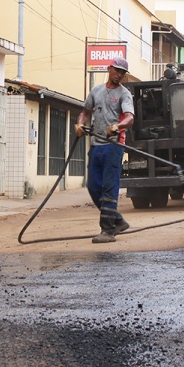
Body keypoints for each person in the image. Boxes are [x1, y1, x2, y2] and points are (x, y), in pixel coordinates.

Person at [74, 57, 135, 243]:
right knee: (93, 186)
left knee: (109, 187)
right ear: (109, 69)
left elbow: (130, 118)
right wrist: (79, 124)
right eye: (116, 70)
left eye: (122, 73)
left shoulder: (124, 94)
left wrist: (118, 126)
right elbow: (85, 111)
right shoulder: (96, 91)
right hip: (96, 145)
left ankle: (107, 230)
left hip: (114, 146)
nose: (118, 75)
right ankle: (117, 220)